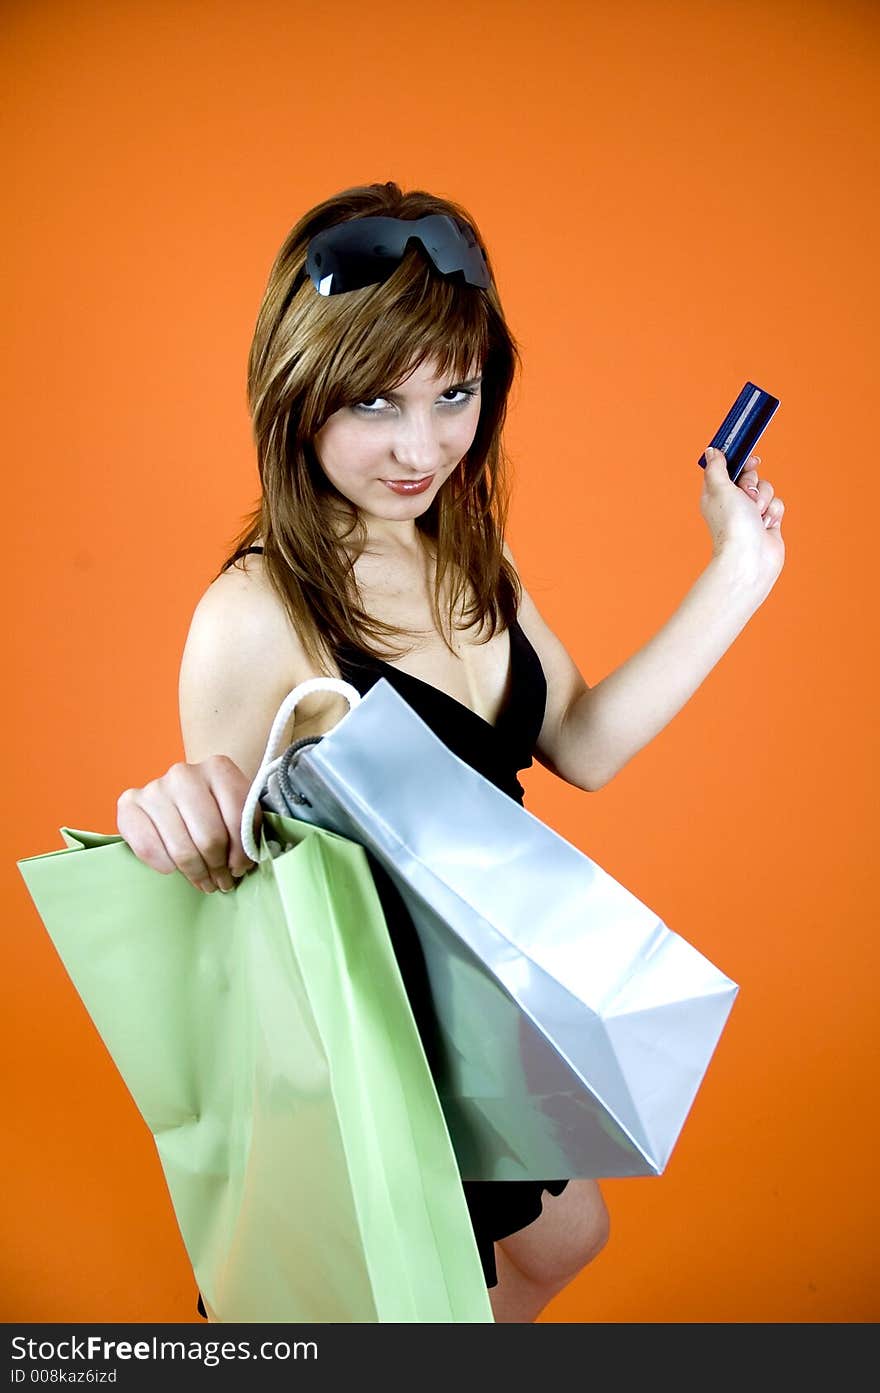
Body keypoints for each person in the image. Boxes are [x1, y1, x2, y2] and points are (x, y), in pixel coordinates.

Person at [115, 180, 786, 1324]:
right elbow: (221, 874)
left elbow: (578, 741)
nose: (421, 446)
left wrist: (737, 576)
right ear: (296, 397)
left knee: (567, 1235)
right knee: (368, 1307)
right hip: (372, 1037)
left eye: (454, 394)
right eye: (375, 402)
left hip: (480, 1000)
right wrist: (166, 816)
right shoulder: (256, 614)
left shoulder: (471, 547)